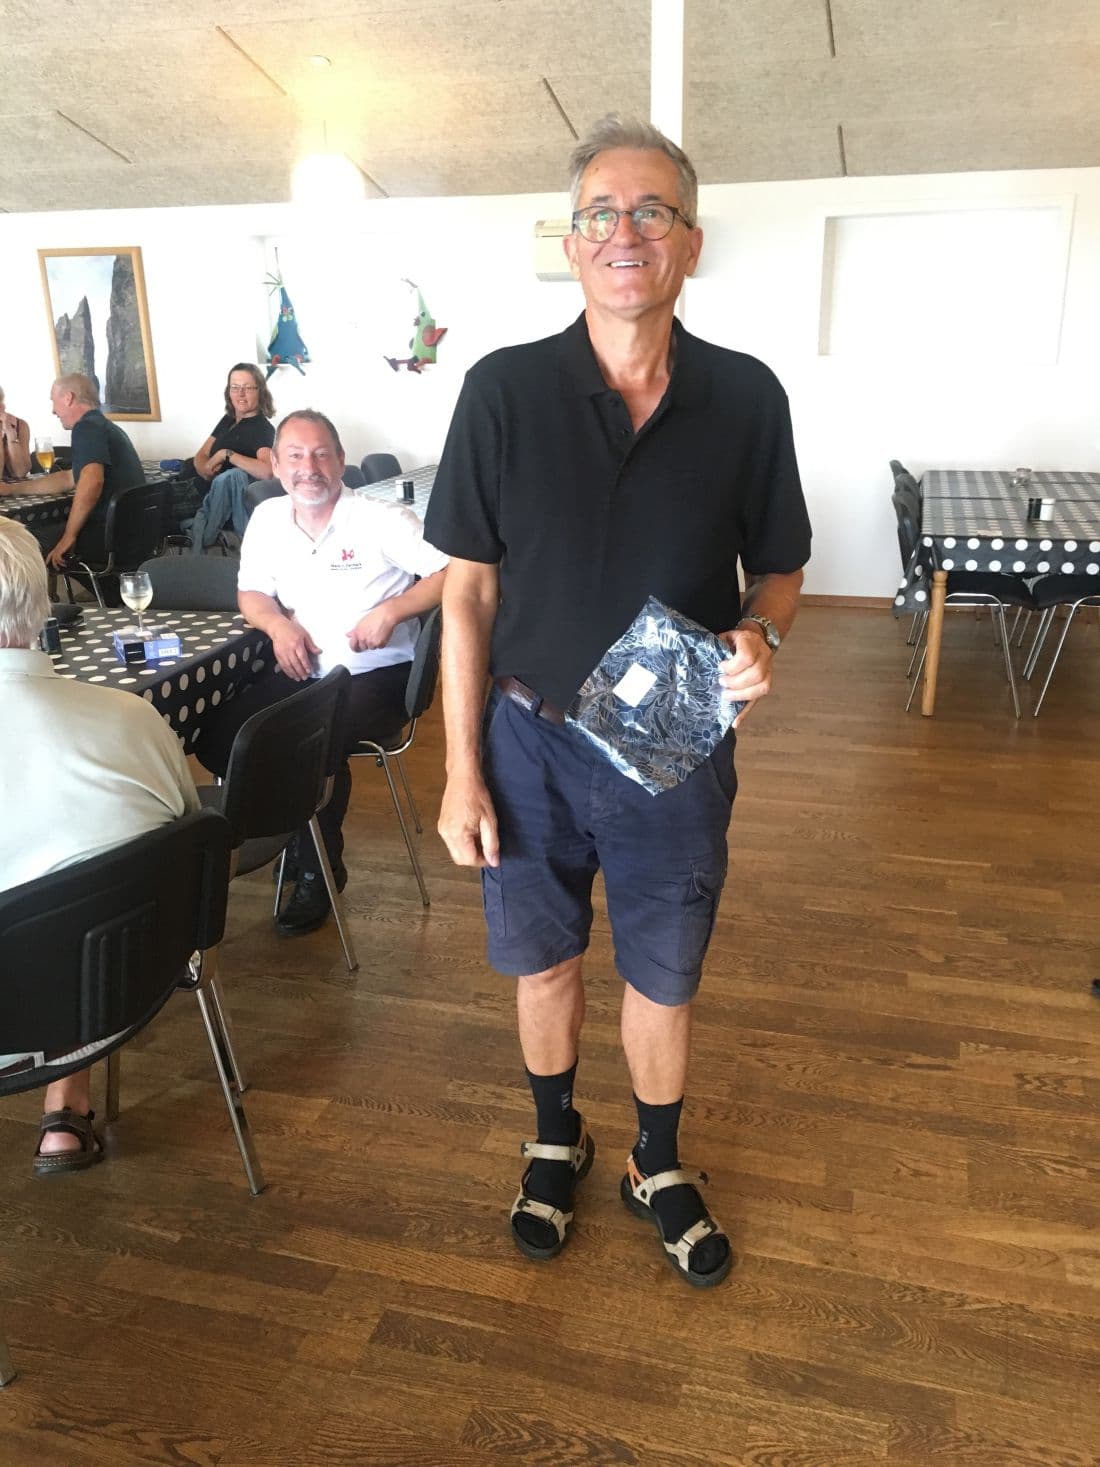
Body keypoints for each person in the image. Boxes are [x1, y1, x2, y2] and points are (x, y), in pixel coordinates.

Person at [424, 114, 812, 1289]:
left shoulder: (745, 397)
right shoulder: (501, 391)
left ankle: (654, 1157)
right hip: (526, 737)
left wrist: (762, 633)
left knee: (661, 974)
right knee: (542, 965)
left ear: (690, 241)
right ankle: (556, 1138)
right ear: (570, 244)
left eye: (651, 211)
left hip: (673, 740)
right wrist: (459, 769)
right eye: (599, 212)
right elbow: (466, 593)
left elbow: (778, 569)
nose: (623, 232)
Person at [193, 409, 447, 936]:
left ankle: (319, 865)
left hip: (376, 674)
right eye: (295, 456)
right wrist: (277, 627)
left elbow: (451, 571)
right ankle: (287, 832)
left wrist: (392, 611)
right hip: (302, 665)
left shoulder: (380, 518)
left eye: (320, 454)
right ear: (276, 465)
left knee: (308, 739)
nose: (308, 468)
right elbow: (252, 593)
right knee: (220, 734)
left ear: (340, 461)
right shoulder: (268, 519)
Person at [0, 518, 199, 1175]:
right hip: (115, 988)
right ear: (41, 604)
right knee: (79, 896)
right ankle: (65, 1107)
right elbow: (191, 837)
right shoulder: (132, 717)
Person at [36, 373, 145, 571]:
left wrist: (69, 536)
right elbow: (69, 478)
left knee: (26, 539)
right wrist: (11, 489)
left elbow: (93, 481)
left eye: (53, 401)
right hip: (134, 534)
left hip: (109, 537)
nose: (53, 410)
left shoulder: (86, 427)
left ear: (68, 398)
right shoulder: (105, 426)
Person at [186, 362, 277, 551]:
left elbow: (268, 471)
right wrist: (205, 469)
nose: (240, 394)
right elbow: (201, 454)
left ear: (260, 391)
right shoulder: (228, 420)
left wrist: (226, 454)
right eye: (235, 387)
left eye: (247, 388)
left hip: (213, 502)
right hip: (198, 486)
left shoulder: (261, 428)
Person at [0, 386, 32, 483]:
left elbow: (20, 473)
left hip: (16, 489)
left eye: (1, 400)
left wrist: (10, 433)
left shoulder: (20, 425)